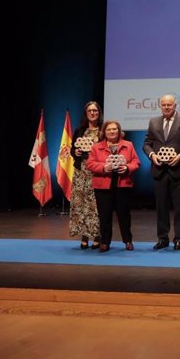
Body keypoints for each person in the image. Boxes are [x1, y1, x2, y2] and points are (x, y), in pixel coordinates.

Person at [142, 94, 180, 251]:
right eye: (163, 105)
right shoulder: (154, 122)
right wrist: (152, 155)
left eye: (169, 105)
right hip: (159, 170)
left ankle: (179, 239)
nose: (166, 107)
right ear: (160, 106)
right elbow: (146, 144)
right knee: (161, 207)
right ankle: (162, 238)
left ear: (175, 105)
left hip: (179, 170)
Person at [86, 120, 140, 252]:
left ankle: (128, 240)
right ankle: (105, 242)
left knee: (124, 215)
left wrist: (127, 168)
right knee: (104, 215)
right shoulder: (96, 147)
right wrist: (104, 167)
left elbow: (136, 162)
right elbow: (90, 164)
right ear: (104, 132)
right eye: (109, 129)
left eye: (115, 129)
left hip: (123, 185)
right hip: (103, 185)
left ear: (119, 131)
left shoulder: (128, 145)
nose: (112, 131)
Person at [69, 101, 103, 250]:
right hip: (81, 172)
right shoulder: (80, 130)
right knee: (80, 204)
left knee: (95, 205)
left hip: (96, 172)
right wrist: (75, 152)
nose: (92, 113)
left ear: (99, 112)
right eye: (90, 111)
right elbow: (72, 148)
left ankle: (96, 235)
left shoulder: (103, 131)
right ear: (86, 113)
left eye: (95, 110)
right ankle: (84, 235)